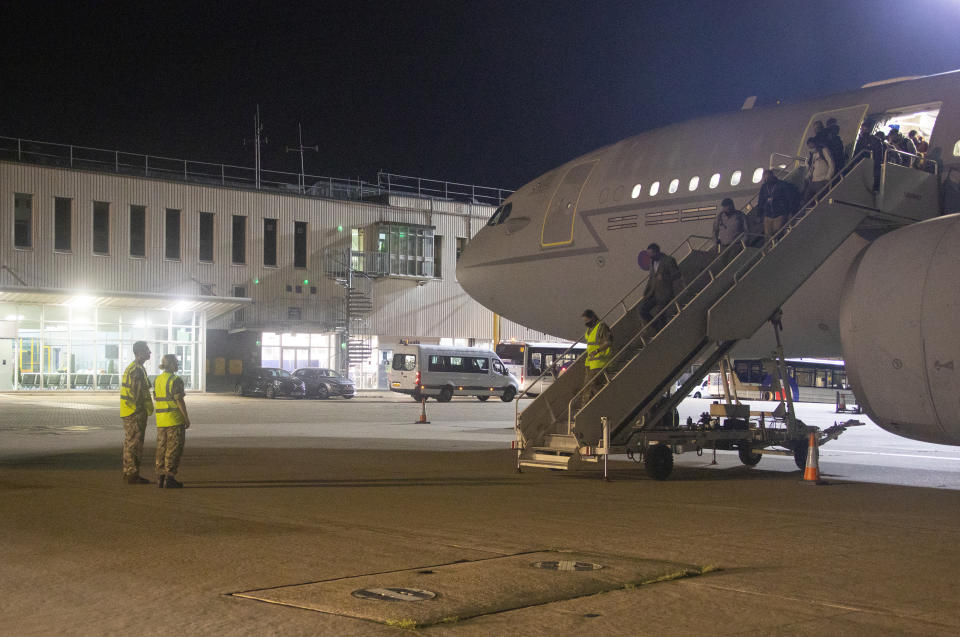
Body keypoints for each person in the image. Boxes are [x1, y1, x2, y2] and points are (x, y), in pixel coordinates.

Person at [154, 354, 191, 489]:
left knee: (161, 449)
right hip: (174, 420)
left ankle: (160, 477)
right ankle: (170, 478)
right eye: (176, 362)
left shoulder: (158, 379)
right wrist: (186, 418)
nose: (178, 365)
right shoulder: (175, 380)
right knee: (173, 449)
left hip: (161, 420)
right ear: (170, 364)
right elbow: (179, 400)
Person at [120, 341, 154, 484]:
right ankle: (132, 474)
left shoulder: (136, 368)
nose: (150, 352)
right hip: (135, 412)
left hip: (130, 410)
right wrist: (142, 409)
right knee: (134, 443)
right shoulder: (137, 370)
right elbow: (137, 393)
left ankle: (129, 472)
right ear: (139, 353)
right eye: (147, 350)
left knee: (130, 442)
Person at [638, 243, 682, 330]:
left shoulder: (668, 260)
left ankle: (662, 330)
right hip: (654, 293)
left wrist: (664, 277)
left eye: (651, 254)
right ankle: (658, 328)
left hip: (665, 293)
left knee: (660, 314)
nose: (650, 257)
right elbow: (651, 279)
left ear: (657, 252)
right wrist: (646, 293)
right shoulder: (652, 263)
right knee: (642, 310)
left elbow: (677, 274)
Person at [756, 170, 801, 241]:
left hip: (779, 214)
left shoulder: (782, 185)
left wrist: (790, 212)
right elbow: (761, 200)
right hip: (768, 215)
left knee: (777, 235)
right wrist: (759, 214)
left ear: (772, 176)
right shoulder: (764, 187)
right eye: (765, 178)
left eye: (768, 178)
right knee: (767, 237)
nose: (766, 180)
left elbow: (789, 199)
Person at [580, 309, 612, 406]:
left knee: (594, 386)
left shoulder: (601, 327)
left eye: (587, 321)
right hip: (590, 363)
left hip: (599, 362)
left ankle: (594, 407)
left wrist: (597, 351)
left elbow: (608, 342)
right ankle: (585, 408)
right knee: (587, 388)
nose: (586, 323)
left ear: (593, 318)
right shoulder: (590, 329)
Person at [804, 137, 836, 201]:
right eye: (809, 147)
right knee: (806, 199)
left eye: (812, 146)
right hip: (813, 181)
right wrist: (808, 176)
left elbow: (831, 163)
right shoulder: (813, 154)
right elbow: (813, 167)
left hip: (822, 181)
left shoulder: (824, 150)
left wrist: (828, 177)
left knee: (820, 199)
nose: (811, 149)